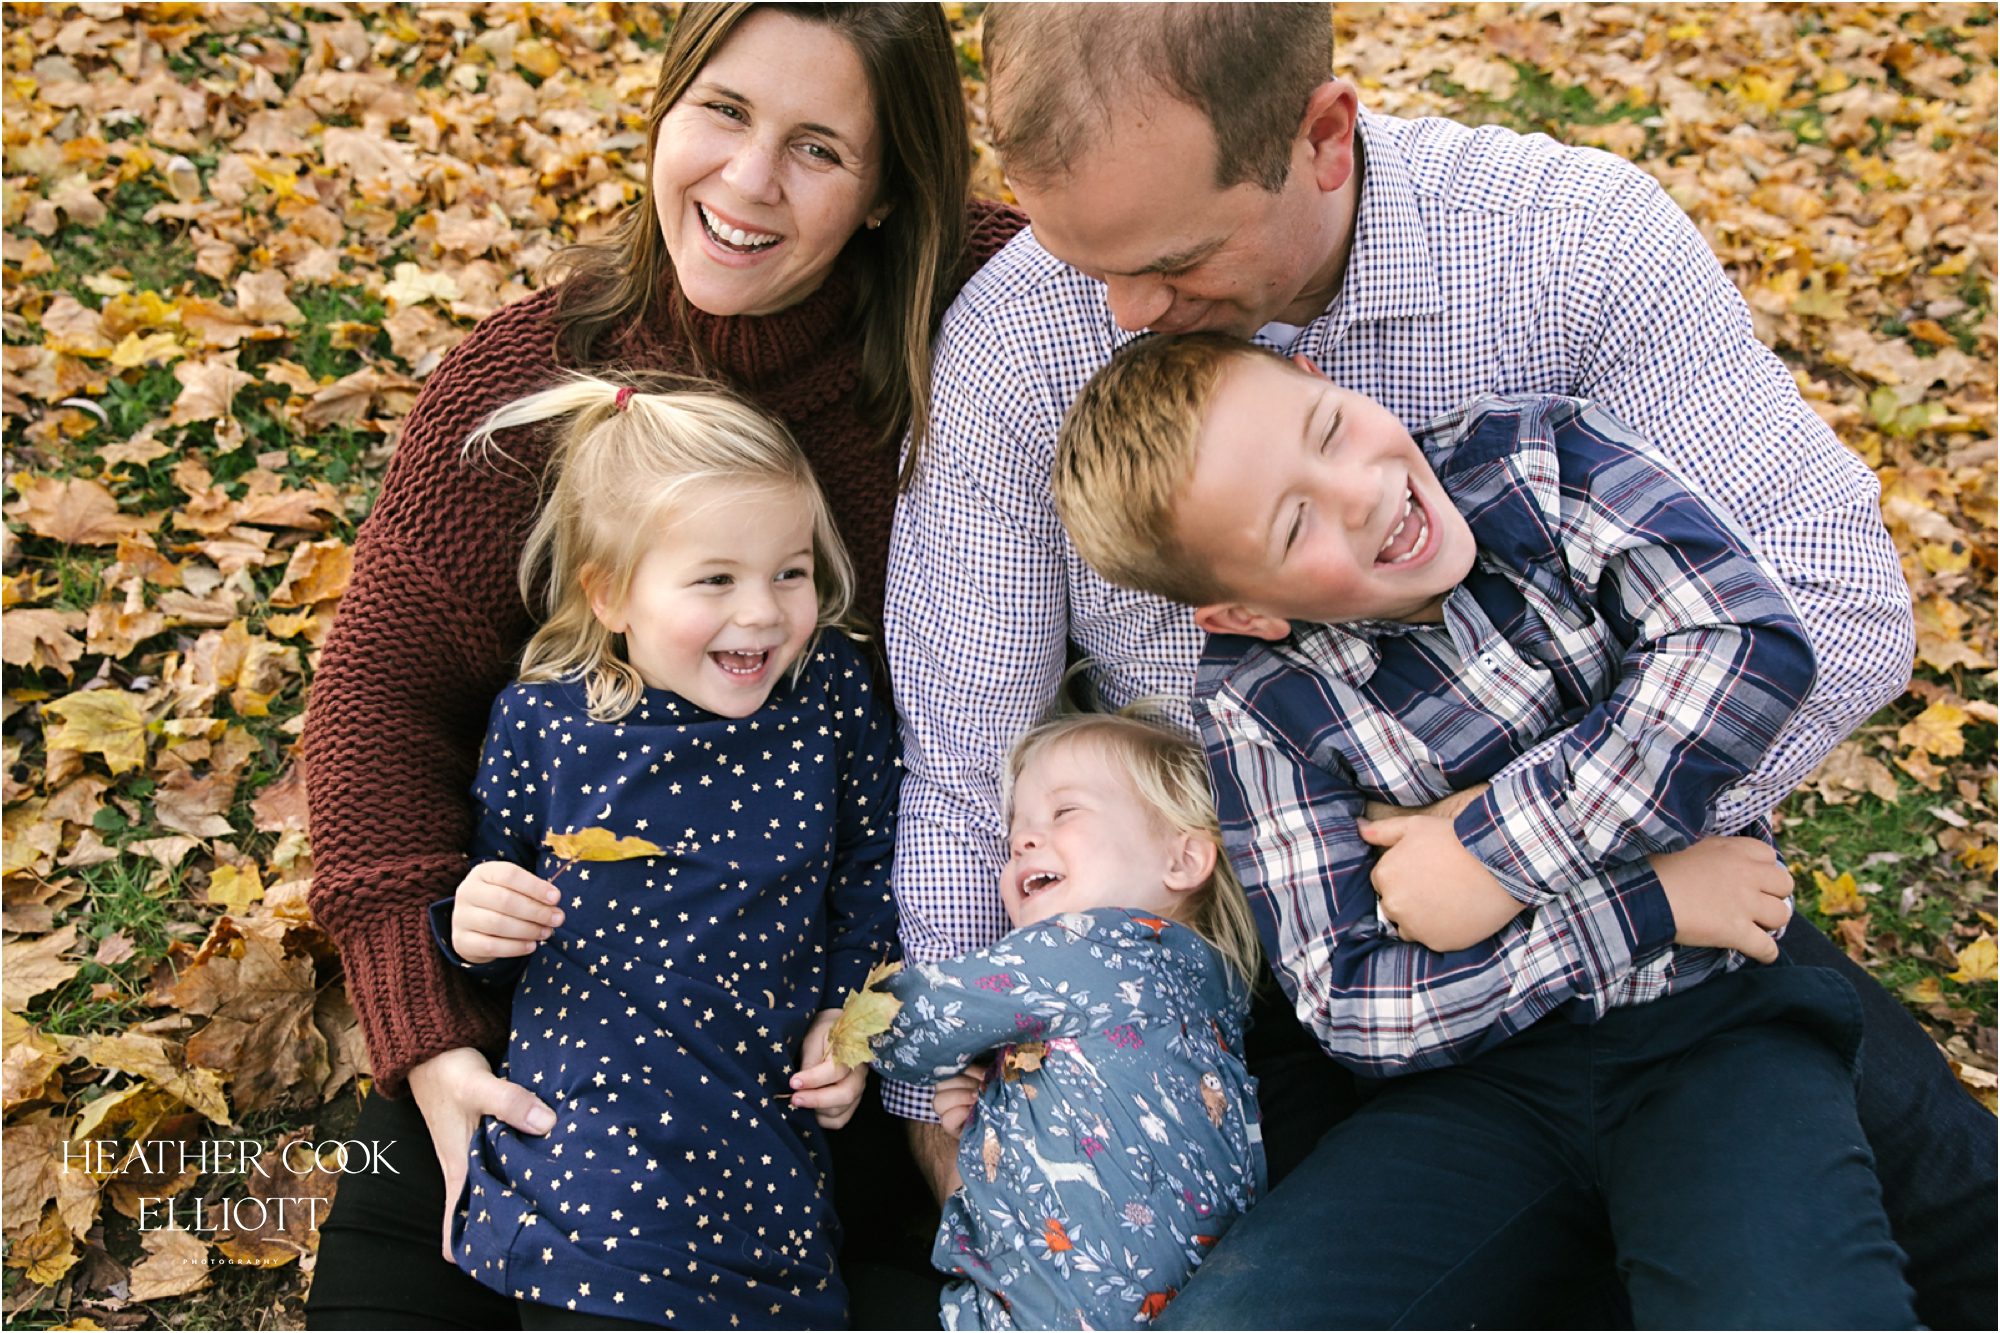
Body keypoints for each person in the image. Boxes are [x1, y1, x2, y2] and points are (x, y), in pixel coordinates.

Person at [883, 3, 1994, 1327]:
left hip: (1688, 917)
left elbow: (1832, 607)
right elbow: (968, 768)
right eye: (1084, 261)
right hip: (1319, 970)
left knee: (1945, 1242)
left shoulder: (1566, 246)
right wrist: (949, 1129)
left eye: (1173, 262)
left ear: (1324, 137)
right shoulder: (1021, 342)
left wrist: (1497, 849)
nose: (1121, 315)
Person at [302, 5, 1026, 1327]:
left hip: (828, 1020)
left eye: (819, 148)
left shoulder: (985, 313)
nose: (748, 182)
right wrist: (430, 1032)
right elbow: (376, 706)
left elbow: (1151, 235)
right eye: (724, 113)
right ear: (665, 105)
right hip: (567, 1001)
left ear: (888, 189)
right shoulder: (521, 385)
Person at [1049, 333, 1917, 1326]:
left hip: (1712, 1024)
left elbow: (1741, 644)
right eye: (1294, 525)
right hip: (1481, 1082)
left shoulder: (1541, 463)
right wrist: (1644, 901)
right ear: (1243, 611)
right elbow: (1353, 1000)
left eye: (1328, 432)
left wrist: (1484, 855)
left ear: (1322, 380)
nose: (1360, 494)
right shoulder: (1259, 705)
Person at [426, 377, 897, 1327]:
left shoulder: (827, 698)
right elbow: (490, 897)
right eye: (716, 579)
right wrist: (471, 927)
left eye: (791, 572)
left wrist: (846, 1019)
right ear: (611, 593)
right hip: (583, 1149)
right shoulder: (547, 723)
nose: (761, 613)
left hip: (759, 1150)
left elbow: (871, 872)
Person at [868, 712, 1265, 1331]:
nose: (1023, 841)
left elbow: (914, 1022)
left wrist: (842, 1016)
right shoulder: (1214, 995)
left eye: (1064, 812)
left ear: (1183, 858)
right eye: (1014, 833)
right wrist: (991, 1120)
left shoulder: (1094, 943)